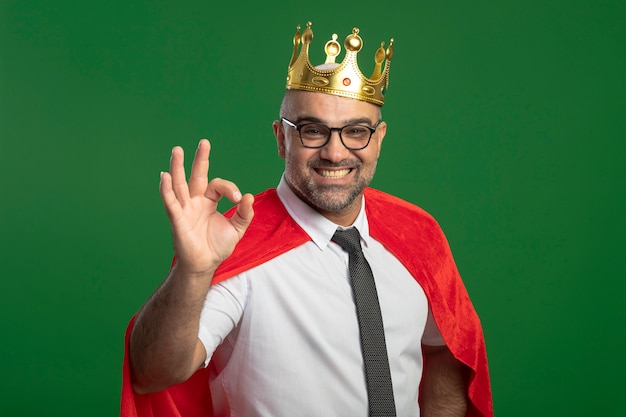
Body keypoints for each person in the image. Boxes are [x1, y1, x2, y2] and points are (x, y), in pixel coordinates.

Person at [121, 21, 492, 417]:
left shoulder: (418, 234)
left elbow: (448, 348)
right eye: (313, 131)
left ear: (379, 138)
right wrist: (194, 272)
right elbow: (153, 373)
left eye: (356, 131)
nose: (335, 153)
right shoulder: (236, 244)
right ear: (282, 138)